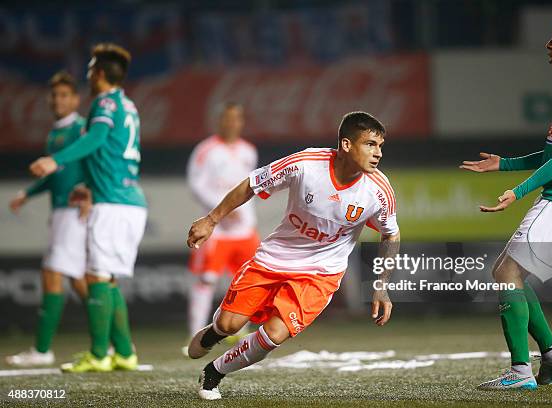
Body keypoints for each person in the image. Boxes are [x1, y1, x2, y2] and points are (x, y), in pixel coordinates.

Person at [186, 111, 400, 400]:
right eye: (370, 145)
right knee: (229, 325)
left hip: (321, 273)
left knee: (274, 335)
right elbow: (252, 183)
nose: (378, 154)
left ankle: (214, 372)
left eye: (381, 146)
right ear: (347, 145)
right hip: (274, 258)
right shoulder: (305, 165)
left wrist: (382, 285)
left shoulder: (379, 190)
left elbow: (391, 234)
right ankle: (215, 333)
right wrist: (211, 220)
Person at [461, 9, 552, 390]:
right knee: (509, 274)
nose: (548, 45)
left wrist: (517, 191)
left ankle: (520, 371)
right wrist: (504, 164)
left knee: (506, 275)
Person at [29, 43, 148, 373]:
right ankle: (124, 352)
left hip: (113, 205)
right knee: (106, 278)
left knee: (95, 275)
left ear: (98, 74)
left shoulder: (104, 102)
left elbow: (96, 139)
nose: (87, 76)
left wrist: (55, 160)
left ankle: (98, 354)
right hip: (129, 200)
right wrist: (88, 186)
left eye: (89, 70)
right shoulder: (129, 104)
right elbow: (109, 151)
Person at [6, 71, 89, 367]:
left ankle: (42, 350)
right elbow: (52, 176)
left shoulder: (81, 129)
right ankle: (112, 342)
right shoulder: (54, 134)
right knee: (79, 279)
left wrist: (88, 190)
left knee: (53, 274)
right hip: (60, 213)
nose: (58, 100)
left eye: (64, 95)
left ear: (75, 99)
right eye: (54, 95)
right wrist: (27, 193)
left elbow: (95, 163)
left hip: (73, 213)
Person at [184, 102, 259, 354]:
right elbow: (196, 184)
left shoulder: (249, 151)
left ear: (241, 121)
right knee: (206, 279)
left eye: (236, 118)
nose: (232, 123)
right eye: (227, 118)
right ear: (220, 121)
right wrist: (219, 210)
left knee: (246, 280)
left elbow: (252, 186)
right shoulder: (206, 150)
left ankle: (239, 332)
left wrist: (242, 212)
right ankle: (195, 333)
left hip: (245, 229)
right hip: (219, 230)